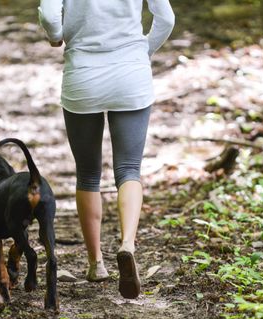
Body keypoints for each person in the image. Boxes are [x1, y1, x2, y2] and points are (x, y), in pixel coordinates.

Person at [38, 0, 175, 299]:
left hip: (83, 75)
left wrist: (55, 35)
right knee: (128, 170)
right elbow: (165, 18)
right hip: (131, 74)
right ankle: (127, 244)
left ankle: (96, 262)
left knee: (88, 174)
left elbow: (50, 15)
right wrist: (143, 51)